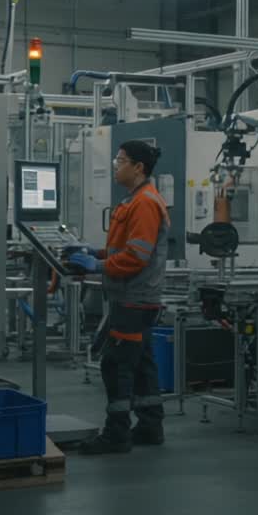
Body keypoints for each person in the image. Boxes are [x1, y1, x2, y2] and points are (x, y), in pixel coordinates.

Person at [64, 140, 169, 455]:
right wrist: (94, 253)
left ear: (138, 167)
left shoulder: (145, 203)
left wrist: (98, 266)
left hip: (134, 299)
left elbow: (136, 257)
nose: (115, 165)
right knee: (143, 363)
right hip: (136, 297)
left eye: (120, 160)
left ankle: (117, 433)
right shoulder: (135, 200)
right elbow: (126, 248)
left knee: (116, 363)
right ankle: (151, 426)